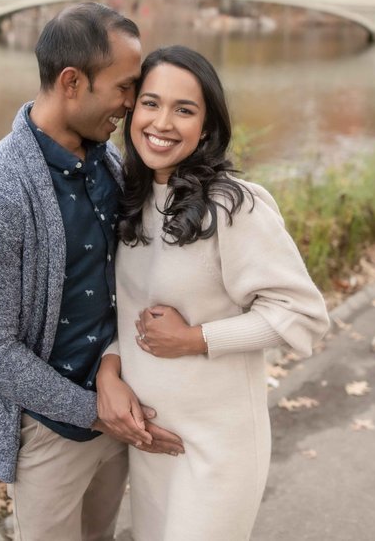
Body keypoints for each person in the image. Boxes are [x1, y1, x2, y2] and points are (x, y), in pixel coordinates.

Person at [0, 2, 183, 541]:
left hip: (120, 402)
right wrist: (92, 412)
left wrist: (114, 380)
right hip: (50, 430)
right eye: (125, 88)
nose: (132, 105)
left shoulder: (107, 162)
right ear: (72, 82)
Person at [96, 45, 330, 540]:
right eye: (151, 103)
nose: (163, 122)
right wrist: (110, 368)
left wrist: (197, 338)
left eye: (185, 110)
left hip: (218, 449)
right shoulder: (132, 203)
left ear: (206, 127)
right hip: (153, 445)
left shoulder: (233, 207)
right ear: (131, 110)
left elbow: (303, 315)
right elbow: (129, 315)